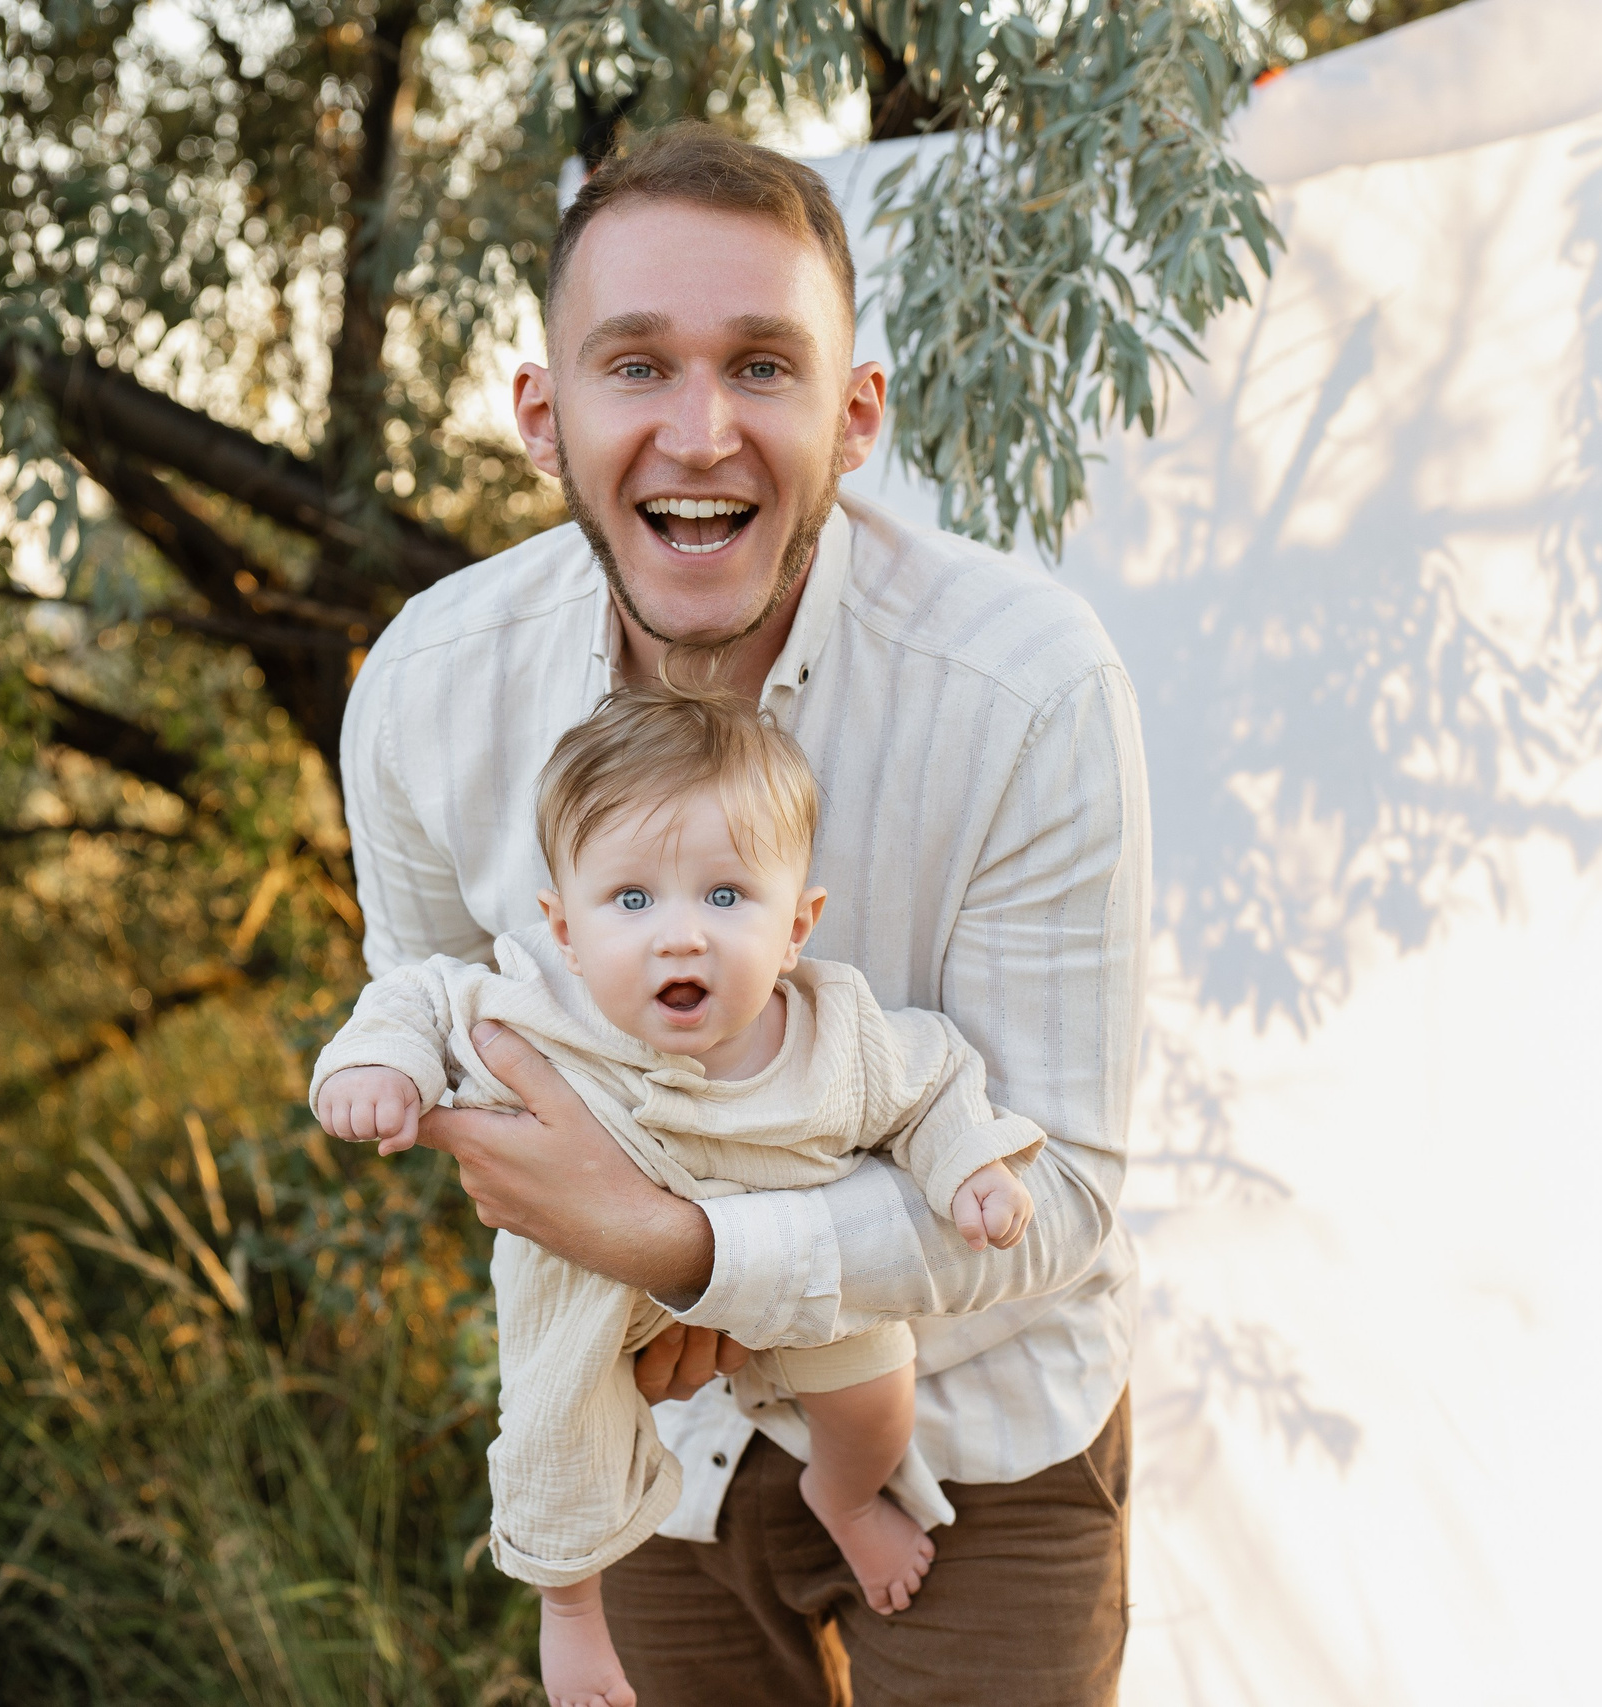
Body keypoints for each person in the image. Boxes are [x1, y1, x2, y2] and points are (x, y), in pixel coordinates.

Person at [341, 121, 1151, 1706]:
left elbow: (1060, 1191)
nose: (699, 431)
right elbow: (455, 1047)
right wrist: (640, 1291)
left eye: (764, 366)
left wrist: (693, 1242)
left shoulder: (1029, 692)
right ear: (542, 411)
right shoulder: (428, 695)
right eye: (634, 365)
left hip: (988, 1431)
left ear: (855, 417)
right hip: (650, 1433)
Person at [312, 680, 1043, 1707]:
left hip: (804, 1265)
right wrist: (377, 1068)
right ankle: (568, 1614)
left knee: (876, 1404)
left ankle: (839, 1496)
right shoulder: (536, 1005)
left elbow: (933, 1082)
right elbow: (421, 996)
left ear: (798, 924)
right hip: (590, 1294)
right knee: (557, 1433)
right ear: (561, 928)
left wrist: (969, 1165)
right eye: (632, 900)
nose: (680, 935)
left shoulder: (836, 1035)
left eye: (726, 896)